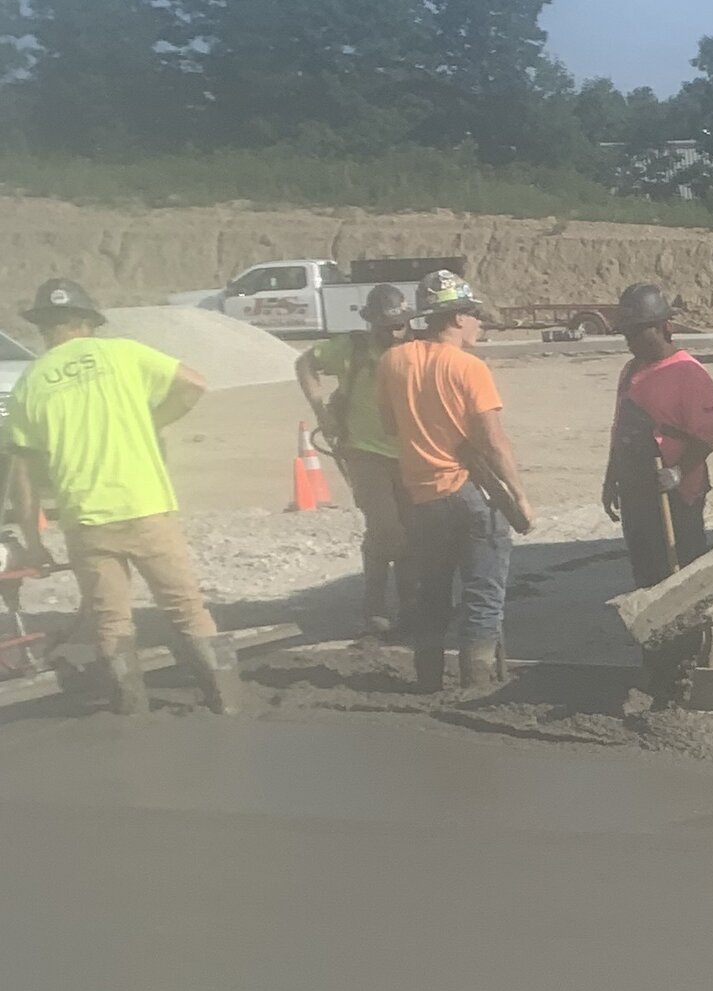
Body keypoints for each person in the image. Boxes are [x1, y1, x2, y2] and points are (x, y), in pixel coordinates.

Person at [0, 275, 243, 716]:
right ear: (89, 322)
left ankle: (132, 712)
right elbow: (193, 383)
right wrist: (153, 421)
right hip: (147, 507)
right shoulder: (124, 354)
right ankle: (228, 703)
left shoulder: (31, 382)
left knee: (111, 620)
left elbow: (23, 476)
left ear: (44, 327)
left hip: (86, 519)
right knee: (187, 608)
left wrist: (34, 545)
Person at [377, 272, 534, 693]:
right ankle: (477, 683)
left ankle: (427, 679)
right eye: (475, 315)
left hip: (421, 496)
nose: (479, 323)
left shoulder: (392, 361)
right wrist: (519, 497)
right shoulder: (469, 367)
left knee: (431, 592)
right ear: (459, 318)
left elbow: (389, 425)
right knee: (483, 594)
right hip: (470, 492)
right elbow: (494, 442)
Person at [296, 283, 408, 630]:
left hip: (413, 455)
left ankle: (410, 602)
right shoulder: (352, 348)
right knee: (385, 527)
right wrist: (320, 410)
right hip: (364, 453)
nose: (394, 333)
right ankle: (375, 603)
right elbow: (305, 363)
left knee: (412, 530)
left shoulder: (417, 349)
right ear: (371, 323)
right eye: (386, 326)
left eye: (399, 325)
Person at [603, 283, 713, 587]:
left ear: (661, 327)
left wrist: (678, 472)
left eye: (636, 333)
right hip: (637, 493)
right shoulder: (630, 371)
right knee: (647, 570)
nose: (630, 342)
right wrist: (612, 478)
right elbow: (621, 428)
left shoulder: (689, 373)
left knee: (683, 571)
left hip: (677, 496)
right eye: (626, 334)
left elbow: (707, 437)